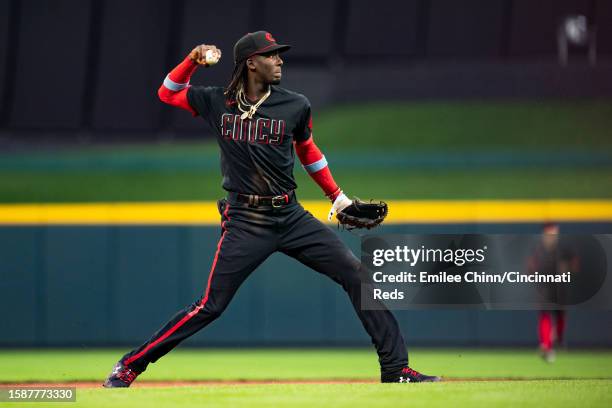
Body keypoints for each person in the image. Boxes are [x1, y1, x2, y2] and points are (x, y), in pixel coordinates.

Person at [103, 31, 439, 387]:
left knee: (356, 276)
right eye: (271, 55)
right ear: (251, 63)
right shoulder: (216, 101)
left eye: (279, 55)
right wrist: (192, 60)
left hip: (291, 216)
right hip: (246, 221)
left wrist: (337, 198)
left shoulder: (295, 105)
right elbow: (167, 92)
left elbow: (308, 151)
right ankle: (130, 366)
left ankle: (396, 368)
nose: (279, 61)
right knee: (210, 306)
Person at [527, 223, 578, 363]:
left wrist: (567, 270)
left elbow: (574, 264)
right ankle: (546, 345)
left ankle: (557, 339)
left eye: (554, 230)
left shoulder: (563, 247)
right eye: (549, 231)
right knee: (545, 315)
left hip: (560, 287)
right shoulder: (538, 247)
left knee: (560, 315)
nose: (552, 233)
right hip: (544, 287)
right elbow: (530, 266)